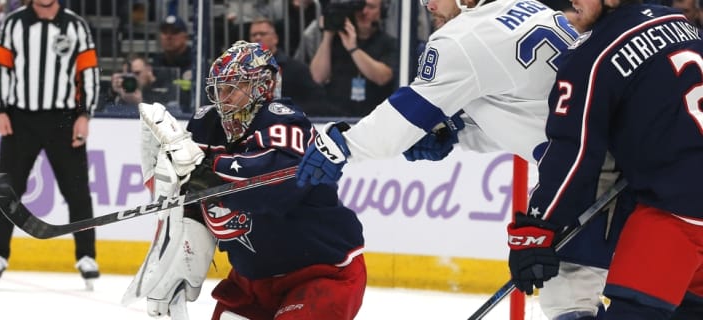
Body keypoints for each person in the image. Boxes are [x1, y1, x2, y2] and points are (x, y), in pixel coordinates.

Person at [295, 0, 635, 319]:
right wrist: (456, 134)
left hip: (589, 170)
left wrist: (342, 145)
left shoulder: (463, 36)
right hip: (623, 153)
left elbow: (406, 114)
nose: (428, 5)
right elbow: (524, 112)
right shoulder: (528, 8)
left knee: (570, 295)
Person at [121, 41, 366, 320]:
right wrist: (179, 263)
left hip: (321, 274)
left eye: (233, 88)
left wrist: (203, 170)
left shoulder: (285, 122)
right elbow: (189, 200)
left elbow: (271, 187)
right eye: (218, 88)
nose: (222, 97)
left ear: (263, 87)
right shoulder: (206, 125)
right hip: (252, 283)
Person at [503, 0, 703, 318]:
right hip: (685, 202)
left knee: (634, 310)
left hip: (675, 215)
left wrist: (538, 227)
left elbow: (575, 153)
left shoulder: (592, 55)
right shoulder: (679, 22)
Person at [0, 0, 100, 290]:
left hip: (64, 119)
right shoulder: (13, 23)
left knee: (77, 190)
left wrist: (84, 115)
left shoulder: (76, 25)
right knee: (6, 188)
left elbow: (89, 71)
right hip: (20, 118)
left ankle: (86, 255)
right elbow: (0, 66)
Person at [309, 0, 398, 117]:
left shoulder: (389, 43)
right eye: (360, 7)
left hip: (373, 117)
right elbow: (318, 77)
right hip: (335, 116)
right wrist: (328, 35)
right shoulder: (336, 40)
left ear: (382, 12)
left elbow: (382, 77)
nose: (364, 12)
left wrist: (353, 49)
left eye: (371, 7)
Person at [249, 17, 329, 116]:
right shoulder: (243, 71)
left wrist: (288, 112)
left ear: (275, 39)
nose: (257, 38)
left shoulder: (296, 69)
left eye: (262, 34)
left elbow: (317, 101)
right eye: (254, 35)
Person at [104, 55, 176, 116]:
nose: (133, 79)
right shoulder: (123, 91)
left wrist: (140, 103)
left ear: (149, 70)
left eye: (137, 73)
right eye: (128, 76)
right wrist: (112, 93)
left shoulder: (165, 87)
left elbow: (172, 114)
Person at [151, 15, 194, 113]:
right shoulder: (156, 62)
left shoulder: (196, 63)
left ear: (185, 37)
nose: (169, 37)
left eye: (174, 32)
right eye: (165, 32)